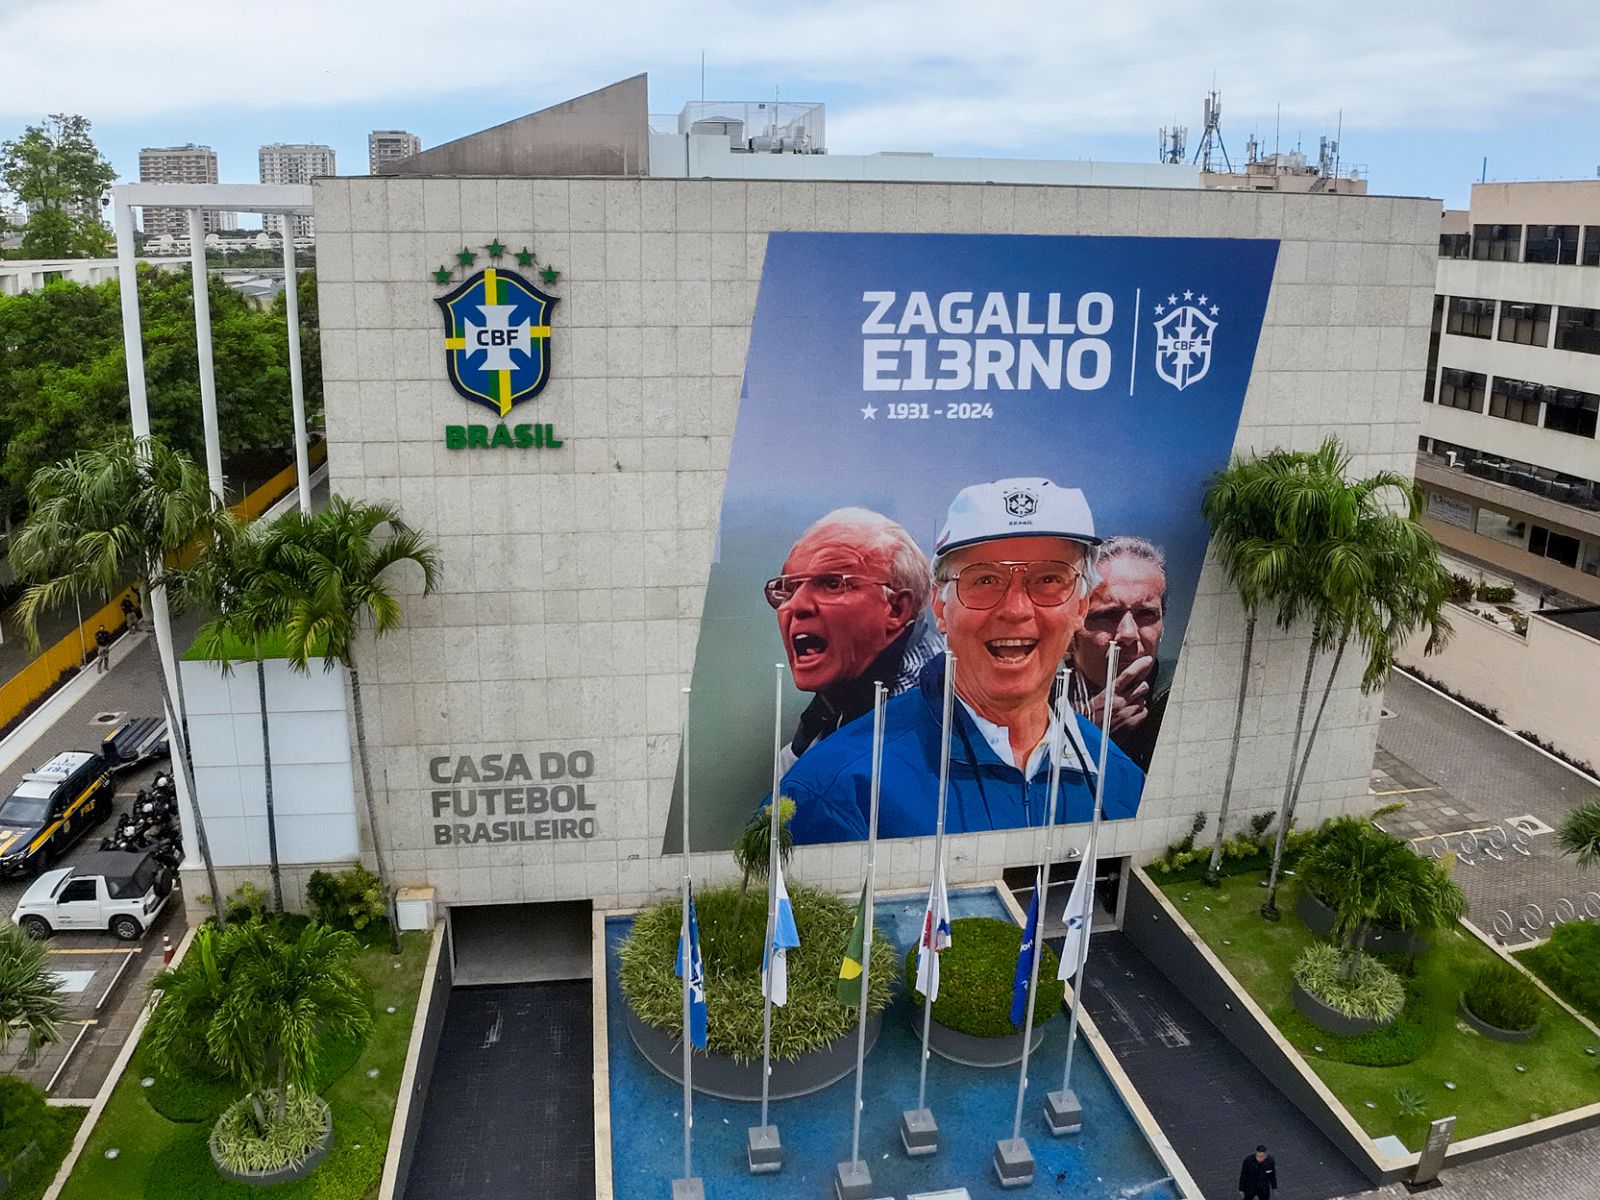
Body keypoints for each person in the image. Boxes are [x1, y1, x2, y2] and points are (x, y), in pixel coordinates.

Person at [778, 478, 1144, 845]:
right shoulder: (834, 792)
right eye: (984, 579)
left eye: (1049, 579)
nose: (1015, 609)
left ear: (1081, 606)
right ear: (940, 607)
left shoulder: (1119, 780)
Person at [765, 508, 941, 772]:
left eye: (833, 584)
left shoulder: (937, 730)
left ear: (895, 609)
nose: (795, 605)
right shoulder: (810, 739)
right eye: (789, 589)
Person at [1067, 535, 1171, 772]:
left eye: (1146, 615)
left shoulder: (1183, 693)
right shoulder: (1030, 707)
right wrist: (1079, 735)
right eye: (1107, 615)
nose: (1128, 634)